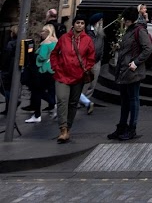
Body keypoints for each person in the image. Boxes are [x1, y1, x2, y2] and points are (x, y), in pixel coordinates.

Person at [107, 7, 152, 142]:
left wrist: (136, 63)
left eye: (125, 19)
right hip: (124, 71)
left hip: (133, 71)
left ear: (129, 19)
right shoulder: (130, 30)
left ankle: (132, 128)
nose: (124, 21)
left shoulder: (139, 30)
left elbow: (148, 48)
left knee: (133, 100)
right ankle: (122, 126)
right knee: (126, 100)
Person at [50, 13, 95, 143]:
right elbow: (55, 53)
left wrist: (85, 69)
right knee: (62, 100)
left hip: (78, 76)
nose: (79, 25)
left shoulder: (87, 40)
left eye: (82, 23)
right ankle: (63, 128)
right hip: (62, 74)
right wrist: (56, 67)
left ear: (84, 25)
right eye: (77, 23)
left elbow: (91, 57)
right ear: (73, 24)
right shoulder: (64, 38)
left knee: (73, 103)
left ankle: (68, 127)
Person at [24, 25, 58, 123]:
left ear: (48, 32)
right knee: (45, 91)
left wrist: (36, 58)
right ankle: (52, 105)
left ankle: (37, 115)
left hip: (43, 70)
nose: (41, 33)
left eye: (43, 31)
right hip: (52, 70)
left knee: (37, 92)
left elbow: (42, 57)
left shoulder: (45, 43)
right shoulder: (56, 41)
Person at [79, 13, 105, 114]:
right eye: (100, 22)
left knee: (92, 85)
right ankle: (79, 101)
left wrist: (100, 58)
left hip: (97, 62)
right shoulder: (87, 32)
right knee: (85, 83)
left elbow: (101, 46)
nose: (102, 23)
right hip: (87, 62)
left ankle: (86, 102)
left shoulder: (100, 33)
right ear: (96, 22)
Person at [1, 25, 18, 115]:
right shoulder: (20, 42)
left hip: (8, 68)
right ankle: (9, 106)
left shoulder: (10, 44)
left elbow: (6, 56)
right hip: (14, 68)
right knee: (9, 88)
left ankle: (12, 103)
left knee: (5, 87)